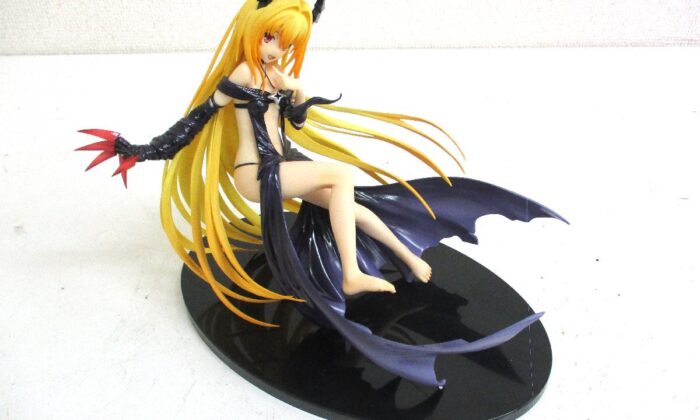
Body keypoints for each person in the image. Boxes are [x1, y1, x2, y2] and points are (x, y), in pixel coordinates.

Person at [77, 0, 566, 387]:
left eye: (285, 42)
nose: (276, 49)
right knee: (342, 177)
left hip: (285, 162)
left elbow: (293, 121)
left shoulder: (279, 75)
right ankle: (350, 273)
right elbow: (195, 121)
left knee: (346, 201)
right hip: (256, 173)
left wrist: (299, 99)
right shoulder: (242, 75)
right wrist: (141, 150)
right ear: (253, 29)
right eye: (270, 37)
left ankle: (406, 256)